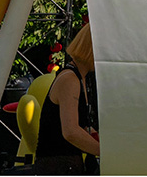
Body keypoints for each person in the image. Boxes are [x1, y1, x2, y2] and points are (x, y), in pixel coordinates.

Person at [34, 23, 100, 175]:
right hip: (57, 164)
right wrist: (103, 151)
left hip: (64, 163)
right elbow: (70, 131)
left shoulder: (79, 78)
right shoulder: (70, 79)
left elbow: (78, 126)